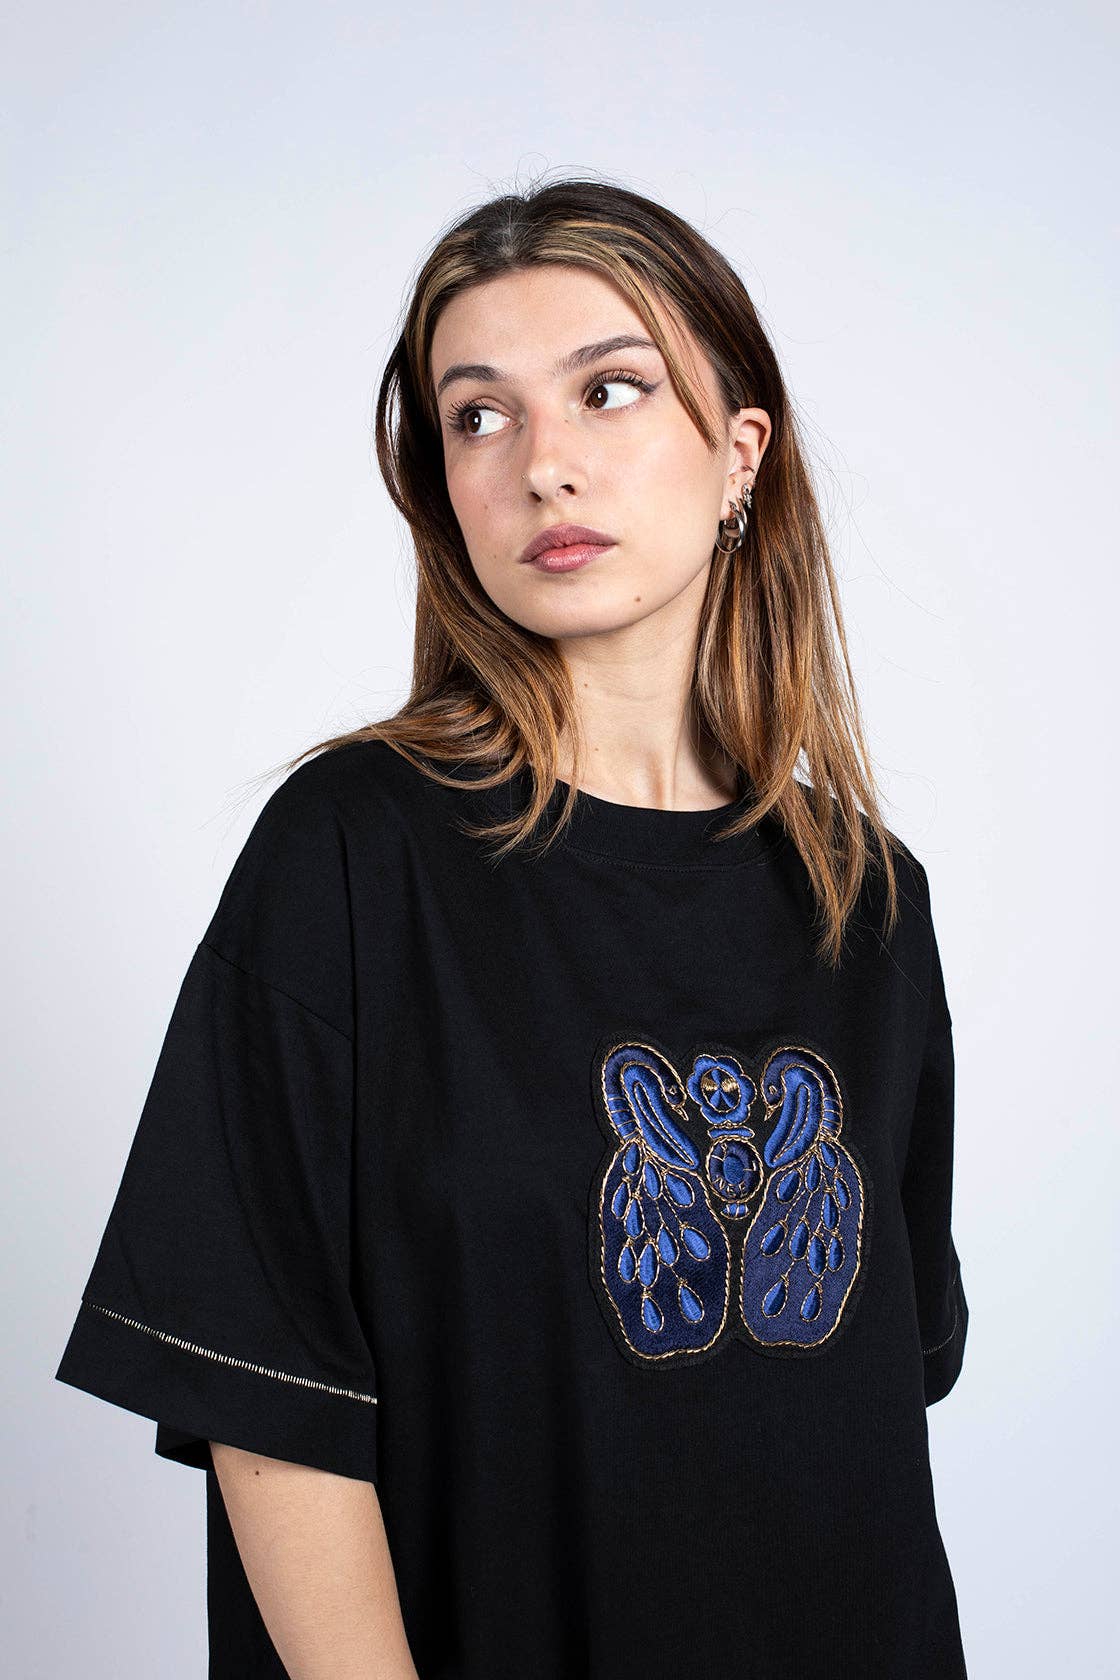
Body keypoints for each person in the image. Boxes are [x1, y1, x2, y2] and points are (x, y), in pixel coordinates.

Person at [55, 176, 970, 1680]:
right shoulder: (351, 854)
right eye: (478, 416)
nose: (543, 463)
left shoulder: (868, 898)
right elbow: (266, 1413)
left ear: (741, 453)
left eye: (610, 390)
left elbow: (866, 1404)